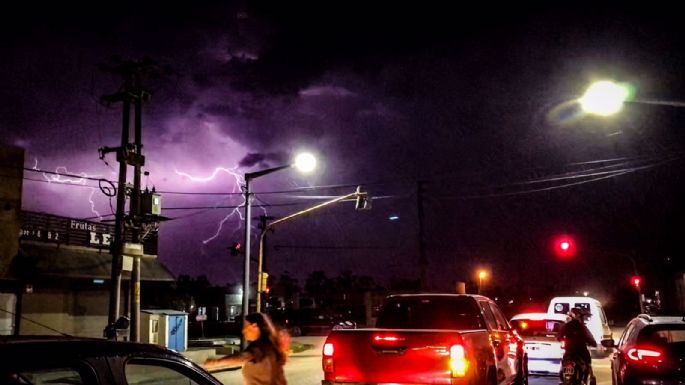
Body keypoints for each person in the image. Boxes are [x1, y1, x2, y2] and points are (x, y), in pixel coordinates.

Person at [204, 312, 289, 385]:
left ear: (255, 326)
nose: (243, 331)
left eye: (245, 326)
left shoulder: (259, 347)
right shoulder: (270, 345)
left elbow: (242, 357)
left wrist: (213, 363)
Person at [557, 307, 597, 384]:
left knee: (564, 361)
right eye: (582, 317)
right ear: (579, 316)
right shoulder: (582, 327)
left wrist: (563, 340)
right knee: (588, 363)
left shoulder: (566, 326)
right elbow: (591, 339)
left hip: (569, 352)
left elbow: (559, 337)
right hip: (580, 352)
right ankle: (586, 380)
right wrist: (593, 343)